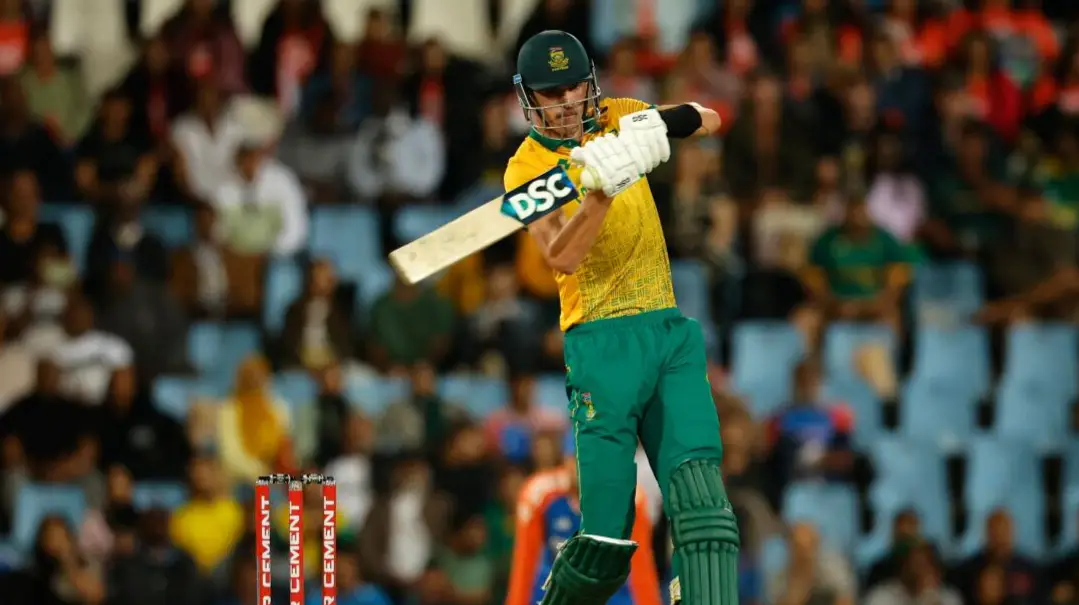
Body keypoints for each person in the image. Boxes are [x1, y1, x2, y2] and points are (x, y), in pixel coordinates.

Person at [503, 29, 734, 605]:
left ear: (590, 83)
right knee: (605, 543)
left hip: (667, 331)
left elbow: (709, 119)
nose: (564, 103)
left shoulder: (618, 114)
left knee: (706, 519)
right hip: (600, 344)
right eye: (550, 94)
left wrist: (646, 132)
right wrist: (600, 192)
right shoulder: (526, 167)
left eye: (572, 88)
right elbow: (560, 256)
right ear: (528, 98)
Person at [506, 431, 661, 605]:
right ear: (565, 460)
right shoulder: (539, 494)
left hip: (611, 593)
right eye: (577, 457)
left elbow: (641, 569)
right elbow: (525, 566)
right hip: (560, 591)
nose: (584, 467)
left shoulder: (629, 497)